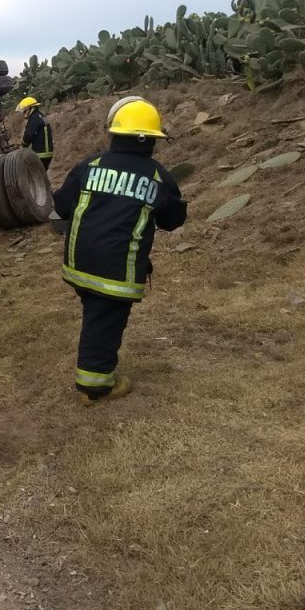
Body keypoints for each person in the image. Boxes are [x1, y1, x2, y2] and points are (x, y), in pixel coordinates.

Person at [52, 98, 187, 405]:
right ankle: (95, 386)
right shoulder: (158, 177)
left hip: (79, 262)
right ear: (151, 139)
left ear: (114, 133)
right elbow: (172, 220)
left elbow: (60, 206)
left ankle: (96, 368)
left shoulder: (90, 165)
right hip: (116, 271)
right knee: (106, 321)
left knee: (96, 314)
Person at [17, 96, 54, 170]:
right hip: (48, 153)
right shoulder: (41, 116)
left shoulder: (34, 118)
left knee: (32, 173)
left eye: (24, 111)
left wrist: (24, 144)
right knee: (42, 173)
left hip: (41, 153)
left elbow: (28, 135)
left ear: (30, 108)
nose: (24, 113)